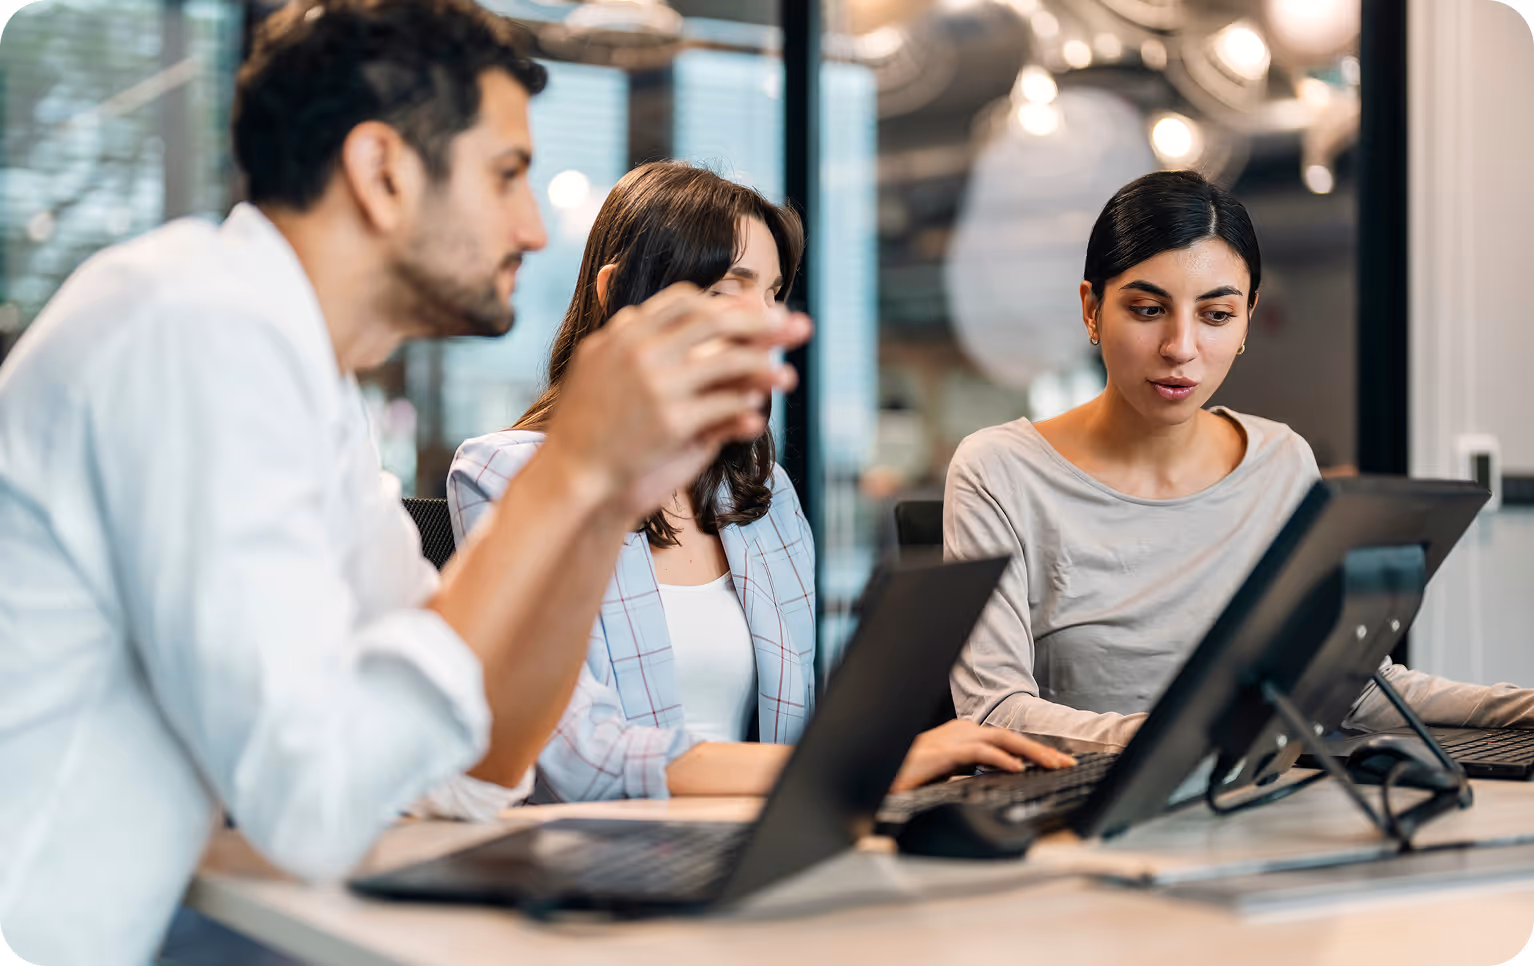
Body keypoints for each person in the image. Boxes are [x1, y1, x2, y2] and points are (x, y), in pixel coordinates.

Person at [0, 3, 809, 964]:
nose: (534, 229)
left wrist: (604, 501)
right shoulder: (189, 324)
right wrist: (574, 470)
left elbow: (480, 763)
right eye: (507, 174)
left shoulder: (317, 400)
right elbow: (315, 803)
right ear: (384, 171)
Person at [446, 161, 1075, 807]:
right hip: (585, 864)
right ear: (619, 297)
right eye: (728, 287)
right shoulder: (509, 475)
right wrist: (866, 763)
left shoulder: (759, 494)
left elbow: (797, 725)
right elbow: (579, 758)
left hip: (752, 848)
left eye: (774, 293)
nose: (763, 323)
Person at [945, 169, 1534, 754]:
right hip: (1080, 813)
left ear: (1248, 317)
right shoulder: (999, 471)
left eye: (1216, 315)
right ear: (1092, 309)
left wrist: (1516, 709)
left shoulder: (1280, 461)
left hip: (1248, 803)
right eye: (1148, 309)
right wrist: (1185, 741)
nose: (1181, 347)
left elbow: (1345, 688)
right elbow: (993, 712)